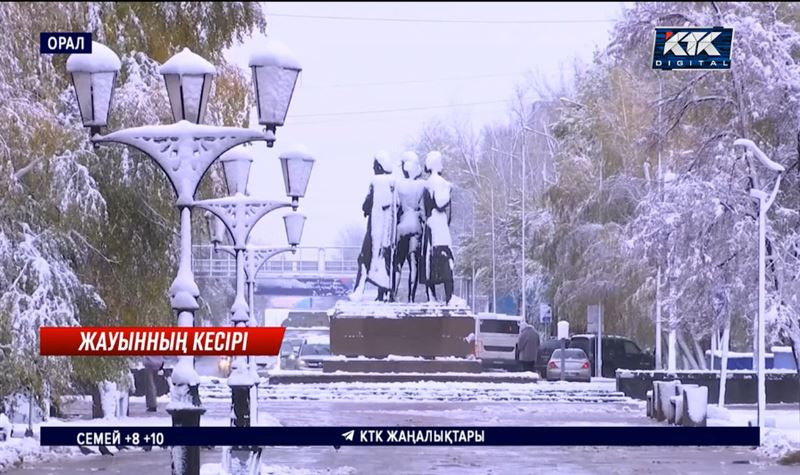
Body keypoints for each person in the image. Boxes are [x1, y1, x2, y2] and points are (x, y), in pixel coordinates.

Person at [351, 151, 398, 302]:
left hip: (375, 231)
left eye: (374, 166)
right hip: (389, 233)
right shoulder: (394, 184)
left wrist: (366, 209)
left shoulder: (376, 182)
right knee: (385, 261)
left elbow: (366, 205)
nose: (373, 169)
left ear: (379, 166)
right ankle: (383, 294)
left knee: (364, 259)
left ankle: (359, 290)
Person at [420, 151, 455, 304]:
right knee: (445, 261)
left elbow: (428, 206)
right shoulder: (440, 184)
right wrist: (448, 190)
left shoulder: (430, 184)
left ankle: (433, 297)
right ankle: (448, 297)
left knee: (430, 262)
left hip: (432, 226)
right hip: (439, 227)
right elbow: (442, 205)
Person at [392, 151, 426, 302]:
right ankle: (411, 298)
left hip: (402, 226)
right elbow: (424, 209)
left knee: (397, 263)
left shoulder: (398, 185)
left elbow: (396, 209)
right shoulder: (422, 186)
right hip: (416, 226)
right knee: (414, 263)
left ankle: (392, 294)